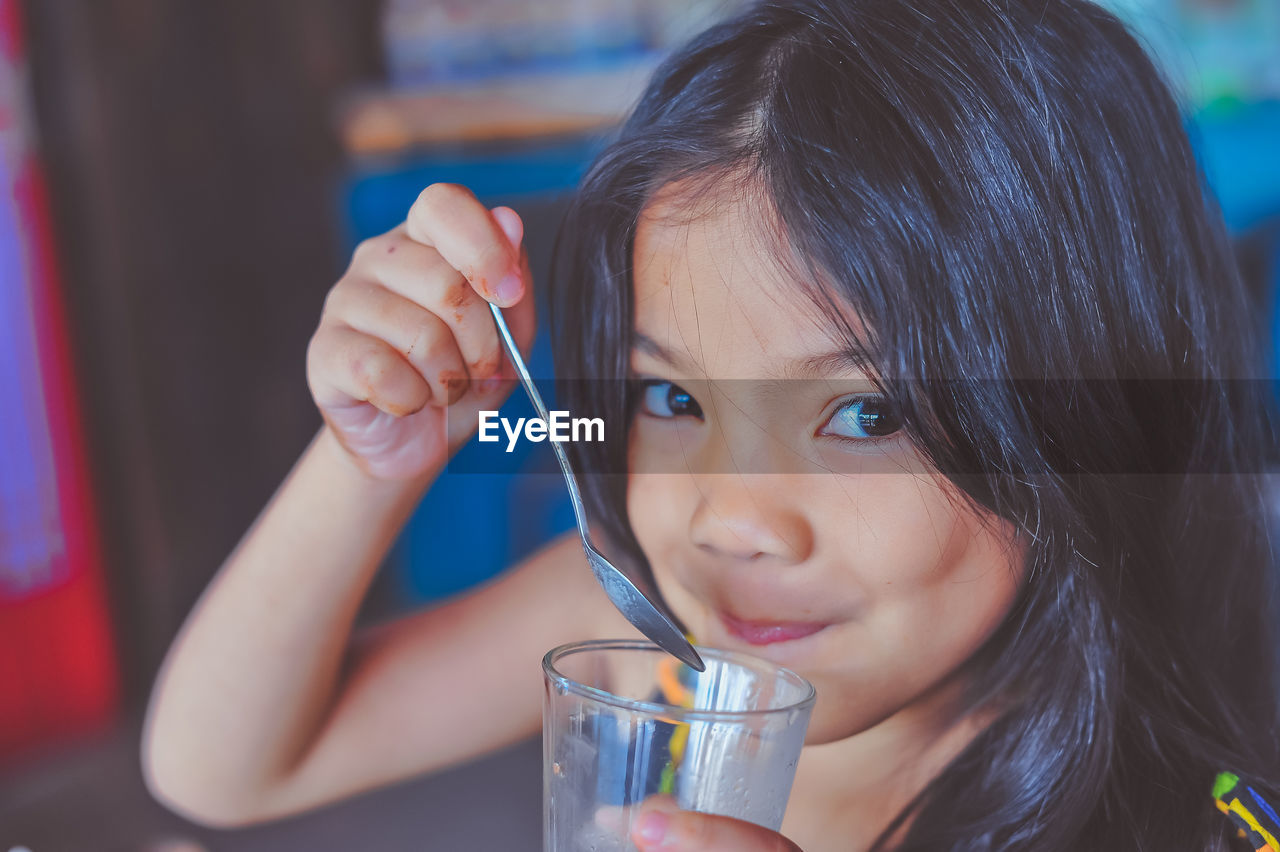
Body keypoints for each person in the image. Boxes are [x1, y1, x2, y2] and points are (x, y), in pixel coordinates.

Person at [141, 0, 1280, 849]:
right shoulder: (663, 650)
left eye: (864, 410)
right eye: (673, 399)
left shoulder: (1199, 807)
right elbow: (223, 768)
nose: (732, 519)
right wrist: (373, 459)